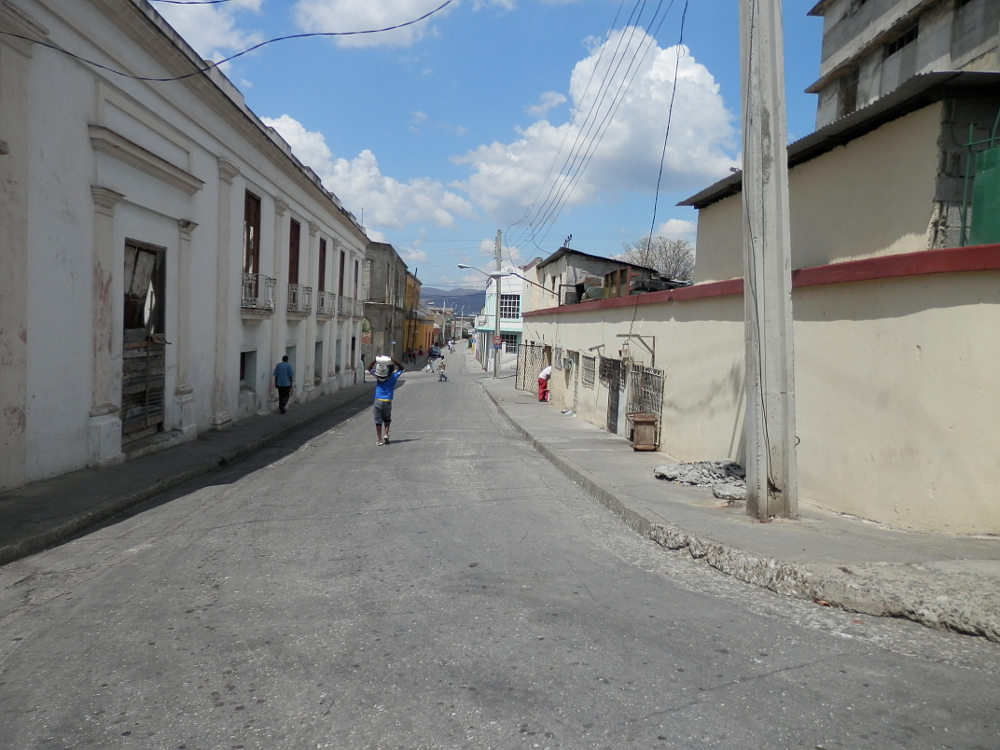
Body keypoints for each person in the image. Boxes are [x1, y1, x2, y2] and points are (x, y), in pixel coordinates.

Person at [368, 355, 404, 445]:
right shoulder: (394, 376)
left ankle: (379, 440)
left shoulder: (378, 376)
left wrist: (375, 360)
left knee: (378, 420)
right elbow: (401, 368)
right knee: (387, 419)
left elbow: (369, 368)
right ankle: (386, 435)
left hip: (378, 401)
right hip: (388, 401)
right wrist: (393, 360)